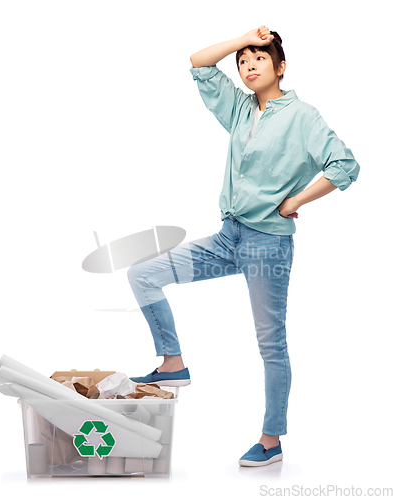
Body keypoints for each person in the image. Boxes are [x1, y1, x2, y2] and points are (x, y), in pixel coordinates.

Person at [127, 26, 360, 467]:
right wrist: (241, 39)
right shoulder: (239, 109)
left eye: (259, 59)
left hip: (267, 245)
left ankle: (271, 441)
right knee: (143, 274)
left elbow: (345, 165)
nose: (249, 66)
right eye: (243, 62)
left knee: (271, 344)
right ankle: (173, 362)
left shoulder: (302, 116)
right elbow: (198, 62)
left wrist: (295, 200)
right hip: (227, 237)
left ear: (281, 67)